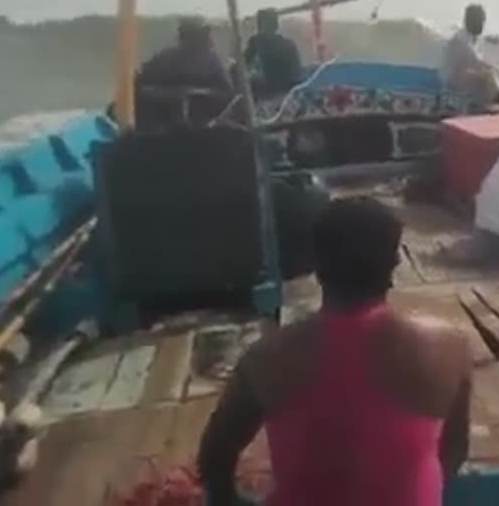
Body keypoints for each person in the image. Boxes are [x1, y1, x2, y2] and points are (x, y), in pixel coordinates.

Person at [197, 197, 473, 506]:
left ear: (316, 264)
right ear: (395, 263)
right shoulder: (450, 349)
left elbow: (215, 456)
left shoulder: (266, 358)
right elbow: (454, 452)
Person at [136, 18, 234, 127]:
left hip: (205, 128)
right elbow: (140, 89)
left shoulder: (212, 62)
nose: (209, 39)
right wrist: (173, 96)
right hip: (163, 128)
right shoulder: (163, 60)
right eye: (203, 34)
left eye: (207, 34)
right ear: (186, 36)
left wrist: (195, 95)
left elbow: (228, 96)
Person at [439, 3, 499, 111]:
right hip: (452, 80)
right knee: (490, 75)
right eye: (479, 21)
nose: (482, 26)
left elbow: (476, 59)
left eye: (482, 22)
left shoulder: (468, 36)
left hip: (461, 75)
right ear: (469, 21)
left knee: (497, 75)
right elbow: (477, 62)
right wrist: (496, 69)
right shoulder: (461, 40)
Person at [244, 8, 303, 95]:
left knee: (245, 83)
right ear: (276, 25)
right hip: (292, 88)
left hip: (273, 88)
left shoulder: (258, 40)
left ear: (260, 24)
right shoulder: (290, 43)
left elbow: (243, 63)